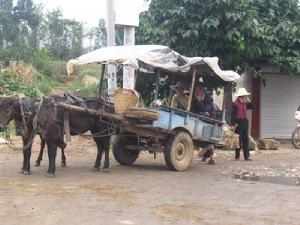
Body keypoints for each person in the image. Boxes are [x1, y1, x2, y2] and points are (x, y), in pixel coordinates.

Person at [231, 87, 254, 161]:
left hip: (245, 122)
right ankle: (237, 156)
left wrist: (249, 101)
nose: (246, 97)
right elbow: (233, 115)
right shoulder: (235, 104)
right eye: (245, 96)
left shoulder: (245, 103)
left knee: (245, 140)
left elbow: (252, 107)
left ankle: (246, 156)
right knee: (238, 140)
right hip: (238, 123)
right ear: (242, 96)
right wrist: (233, 124)